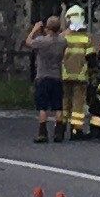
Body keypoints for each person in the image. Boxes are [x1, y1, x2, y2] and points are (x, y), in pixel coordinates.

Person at [27, 12, 66, 145]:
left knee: (42, 106)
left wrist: (35, 29)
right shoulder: (62, 41)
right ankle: (58, 132)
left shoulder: (41, 41)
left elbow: (28, 42)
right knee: (58, 106)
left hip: (43, 76)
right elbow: (62, 36)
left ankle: (42, 133)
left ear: (47, 27)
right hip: (57, 77)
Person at [59, 6, 94, 137]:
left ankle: (60, 129)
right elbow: (92, 58)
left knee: (64, 102)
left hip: (64, 75)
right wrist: (93, 73)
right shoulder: (86, 38)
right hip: (80, 76)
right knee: (78, 105)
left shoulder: (63, 37)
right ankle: (76, 130)